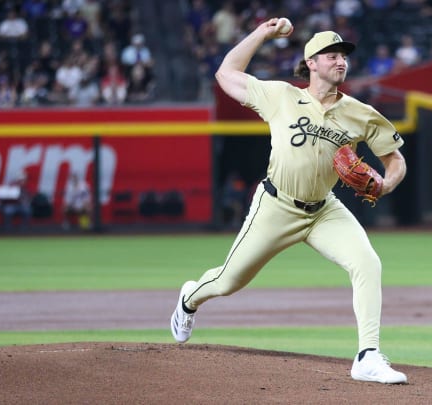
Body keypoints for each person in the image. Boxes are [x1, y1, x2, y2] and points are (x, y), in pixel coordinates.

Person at [170, 20, 408, 384]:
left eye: (343, 56)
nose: (340, 61)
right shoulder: (280, 95)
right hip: (276, 206)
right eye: (331, 56)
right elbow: (226, 73)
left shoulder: (361, 113)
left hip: (324, 210)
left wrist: (386, 184)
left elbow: (395, 160)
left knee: (367, 263)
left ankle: (368, 356)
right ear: (311, 62)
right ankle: (190, 298)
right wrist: (263, 34)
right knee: (229, 281)